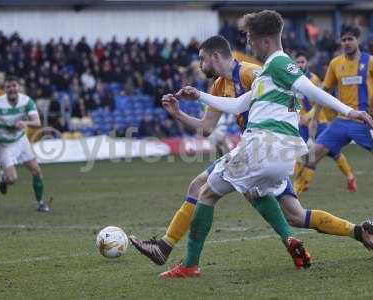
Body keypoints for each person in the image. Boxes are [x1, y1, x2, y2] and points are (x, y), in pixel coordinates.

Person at [157, 10, 373, 279]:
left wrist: (349, 111)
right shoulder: (268, 73)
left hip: (261, 145)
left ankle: (189, 265)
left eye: (251, 39)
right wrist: (199, 94)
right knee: (290, 212)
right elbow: (237, 104)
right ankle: (356, 233)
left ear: (266, 41)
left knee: (205, 194)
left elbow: (310, 89)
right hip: (282, 158)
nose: (249, 45)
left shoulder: (279, 63)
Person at [294, 24, 373, 195]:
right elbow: (324, 93)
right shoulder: (336, 64)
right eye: (343, 40)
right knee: (311, 155)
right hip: (342, 122)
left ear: (358, 40)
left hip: (364, 121)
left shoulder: (370, 62)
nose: (346, 43)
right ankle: (294, 196)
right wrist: (314, 118)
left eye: (350, 39)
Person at [0, 76, 50, 212]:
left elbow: (37, 122)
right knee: (12, 179)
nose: (12, 89)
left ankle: (40, 203)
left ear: (18, 87)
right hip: (3, 144)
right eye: (8, 87)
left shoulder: (26, 101)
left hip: (20, 140)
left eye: (14, 86)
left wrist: (25, 123)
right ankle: (4, 178)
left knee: (37, 171)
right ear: (5, 89)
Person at [293, 51, 356, 193]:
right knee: (300, 154)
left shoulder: (313, 79)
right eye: (298, 62)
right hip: (302, 124)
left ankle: (350, 177)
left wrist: (308, 117)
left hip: (318, 122)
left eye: (302, 61)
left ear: (307, 63)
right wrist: (297, 117)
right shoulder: (292, 81)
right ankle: (299, 184)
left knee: (333, 152)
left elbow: (319, 101)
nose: (300, 64)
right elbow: (293, 101)